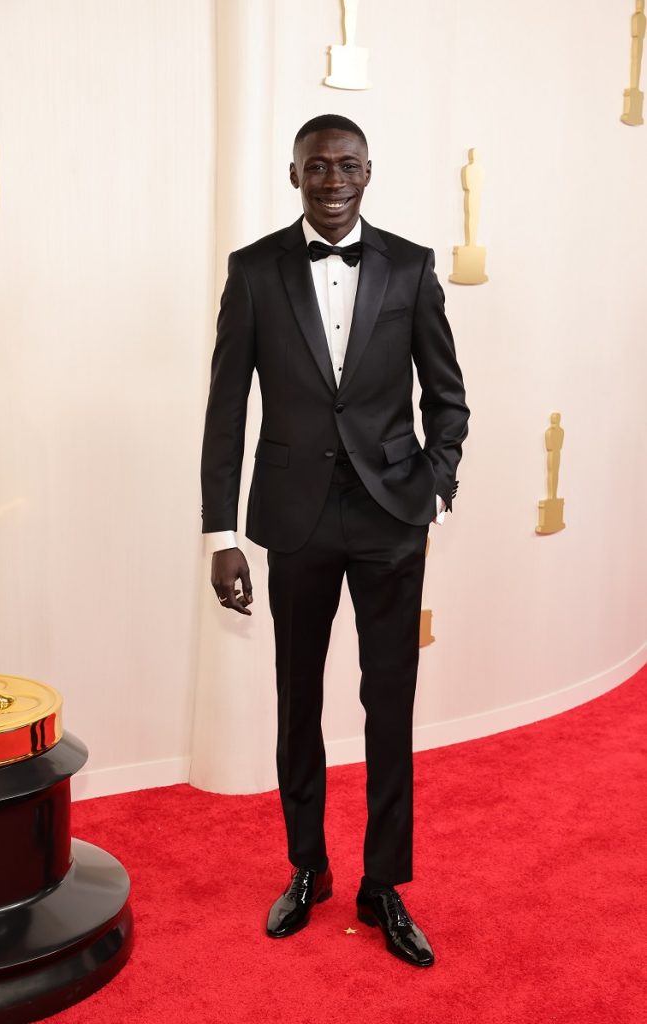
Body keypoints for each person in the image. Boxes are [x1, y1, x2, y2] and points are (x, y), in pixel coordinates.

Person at [201, 114, 469, 967]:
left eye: (347, 166)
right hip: (296, 519)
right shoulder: (254, 271)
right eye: (317, 167)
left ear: (368, 172)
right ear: (294, 176)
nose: (332, 181)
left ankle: (382, 883)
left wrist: (434, 484)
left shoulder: (412, 267)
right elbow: (226, 411)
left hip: (392, 518)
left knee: (389, 703)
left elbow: (448, 397)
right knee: (297, 701)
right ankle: (307, 867)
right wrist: (221, 533)